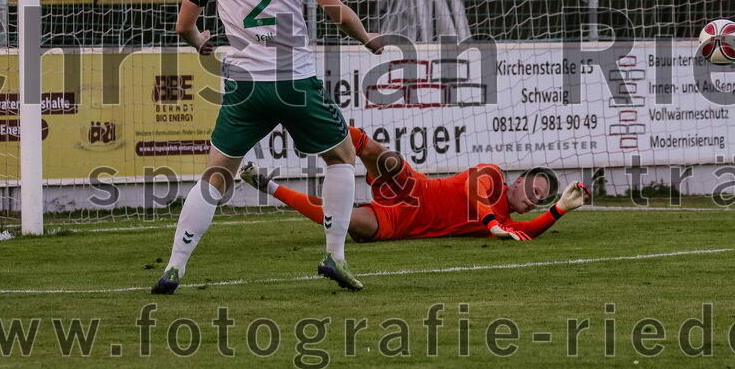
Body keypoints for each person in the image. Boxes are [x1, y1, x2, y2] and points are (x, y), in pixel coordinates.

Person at [152, 0, 383, 295]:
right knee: (342, 156)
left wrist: (201, 43)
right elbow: (337, 13)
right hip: (295, 83)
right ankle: (335, 256)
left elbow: (184, 26)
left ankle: (174, 267)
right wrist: (368, 39)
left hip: (245, 89)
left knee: (215, 174)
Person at [239, 126, 591, 242]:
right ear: (520, 180)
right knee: (384, 156)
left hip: (402, 224)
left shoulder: (506, 223)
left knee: (342, 219)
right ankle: (310, 126)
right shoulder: (493, 175)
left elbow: (529, 231)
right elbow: (475, 191)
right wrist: (490, 223)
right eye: (534, 191)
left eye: (539, 200)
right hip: (414, 189)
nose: (533, 200)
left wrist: (560, 209)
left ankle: (267, 186)